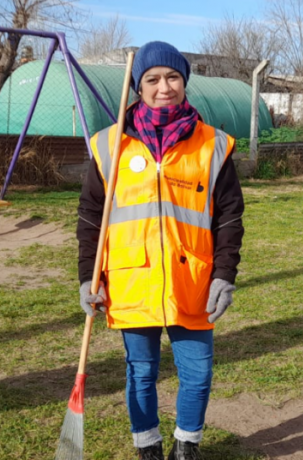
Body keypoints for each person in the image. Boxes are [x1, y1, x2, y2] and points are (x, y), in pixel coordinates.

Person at [76, 41, 245, 460]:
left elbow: (228, 219)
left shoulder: (213, 145)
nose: (163, 86)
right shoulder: (107, 146)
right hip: (133, 279)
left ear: (184, 82)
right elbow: (90, 219)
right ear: (138, 87)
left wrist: (224, 274)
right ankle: (147, 446)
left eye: (172, 77)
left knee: (198, 374)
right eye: (152, 79)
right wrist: (87, 277)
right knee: (141, 373)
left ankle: (187, 445)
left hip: (193, 281)